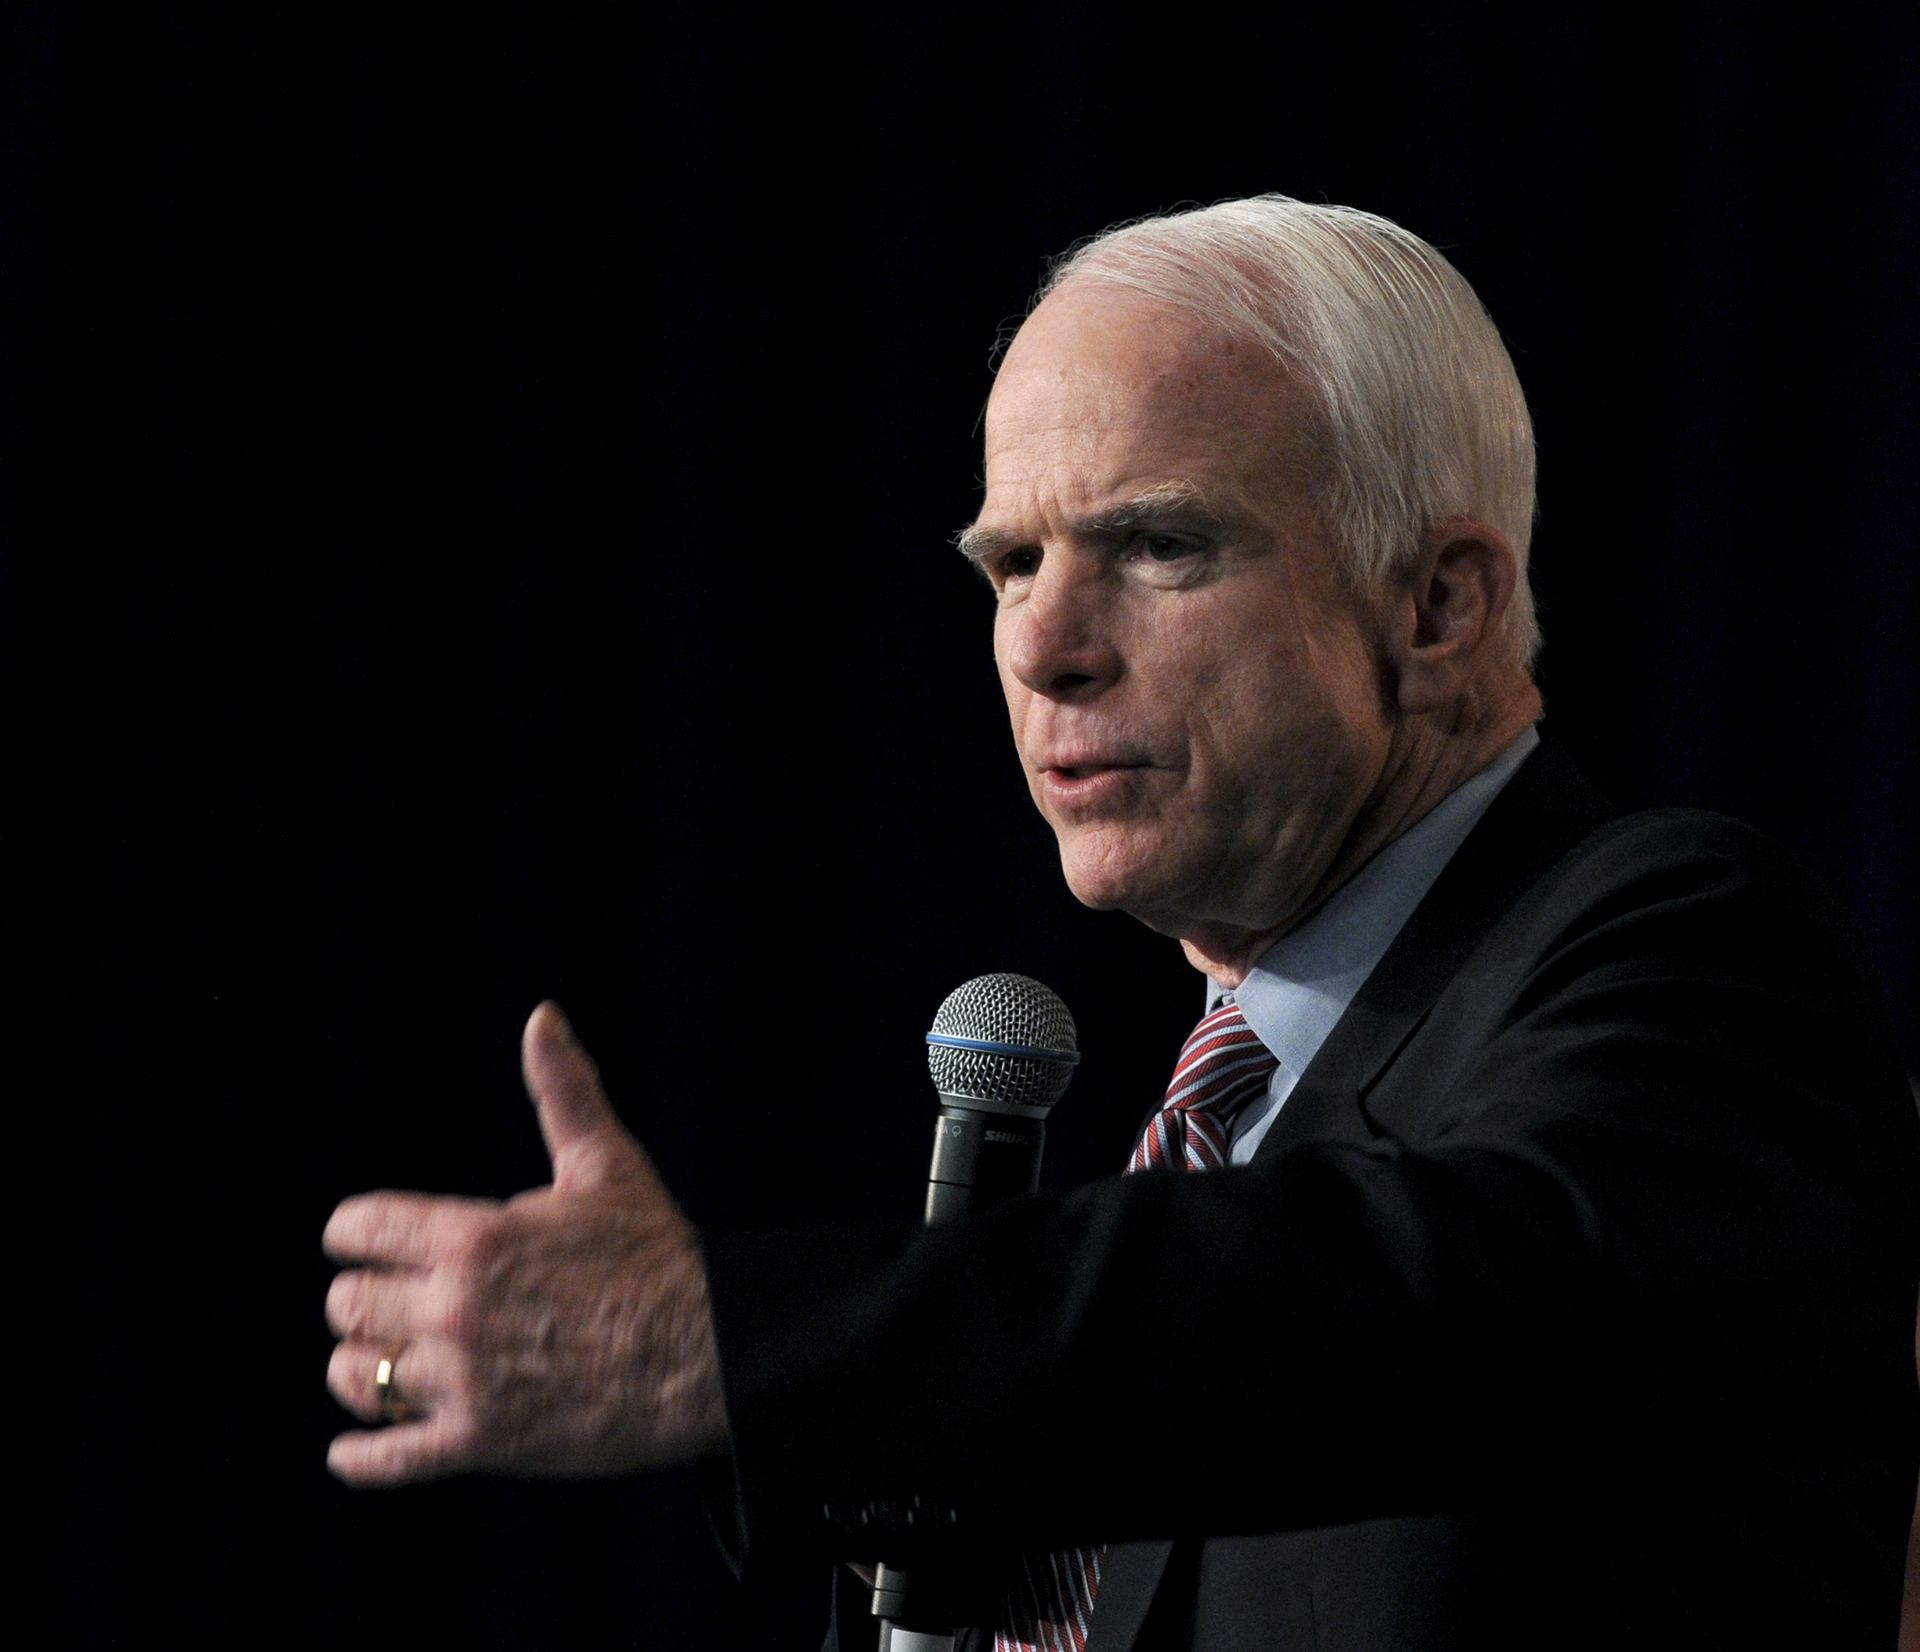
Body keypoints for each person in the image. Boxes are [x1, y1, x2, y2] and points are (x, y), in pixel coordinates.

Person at [324, 197, 1920, 1649]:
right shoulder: (1201, 1142)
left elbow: (1404, 1314)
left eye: (1159, 546)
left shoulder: (1688, 951)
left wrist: (719, 1346)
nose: (1045, 648)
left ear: (1441, 605)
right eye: (1013, 563)